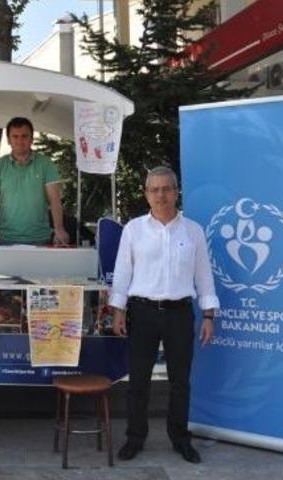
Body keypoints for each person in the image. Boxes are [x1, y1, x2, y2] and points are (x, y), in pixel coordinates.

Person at [108, 166, 218, 464]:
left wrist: (209, 315)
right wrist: (117, 312)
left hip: (179, 313)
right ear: (146, 194)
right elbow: (122, 274)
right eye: (154, 189)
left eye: (166, 189)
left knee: (180, 382)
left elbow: (204, 276)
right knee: (138, 382)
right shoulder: (133, 229)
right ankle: (135, 438)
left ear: (176, 191)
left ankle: (181, 439)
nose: (161, 195)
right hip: (142, 312)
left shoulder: (193, 231)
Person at [0, 117, 70, 246]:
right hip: (7, 239)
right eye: (15, 136)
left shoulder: (46, 164)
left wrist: (59, 229)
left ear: (31, 139)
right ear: (9, 140)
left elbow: (55, 199)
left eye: (24, 136)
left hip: (40, 239)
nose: (19, 140)